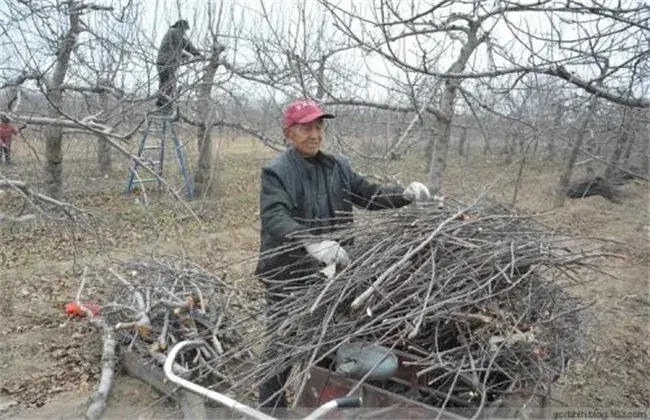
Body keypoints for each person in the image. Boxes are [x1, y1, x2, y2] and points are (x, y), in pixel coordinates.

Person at [254, 98, 431, 412]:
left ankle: (316, 402)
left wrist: (403, 195)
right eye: (306, 127)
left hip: (331, 274)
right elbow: (275, 217)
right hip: (288, 274)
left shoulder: (338, 167)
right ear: (288, 133)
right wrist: (311, 241)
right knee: (284, 343)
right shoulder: (277, 172)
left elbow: (370, 194)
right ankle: (271, 408)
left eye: (319, 126)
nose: (315, 133)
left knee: (326, 337)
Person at [155, 19, 202, 111]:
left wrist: (186, 56)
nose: (185, 32)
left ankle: (161, 104)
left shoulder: (171, 34)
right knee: (169, 84)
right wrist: (197, 54)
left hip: (162, 61)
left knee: (165, 83)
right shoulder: (175, 32)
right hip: (167, 62)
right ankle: (165, 106)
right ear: (181, 27)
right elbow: (186, 44)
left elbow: (177, 49)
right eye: (185, 29)